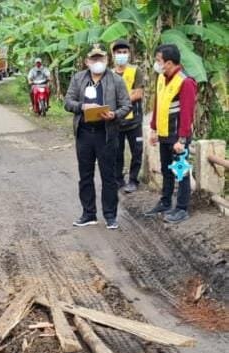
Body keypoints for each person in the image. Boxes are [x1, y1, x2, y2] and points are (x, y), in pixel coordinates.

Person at [64, 43, 132, 230]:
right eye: (93, 59)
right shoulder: (78, 79)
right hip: (84, 133)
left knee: (108, 176)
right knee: (85, 175)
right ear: (87, 61)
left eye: (100, 58)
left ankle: (110, 215)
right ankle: (88, 213)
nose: (97, 62)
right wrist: (82, 107)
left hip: (106, 134)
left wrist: (115, 115)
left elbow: (126, 105)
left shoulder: (116, 80)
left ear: (106, 59)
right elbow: (68, 102)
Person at [144, 44, 197, 224]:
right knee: (167, 170)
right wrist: (153, 129)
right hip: (165, 134)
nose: (156, 64)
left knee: (180, 173)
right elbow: (158, 104)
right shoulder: (161, 78)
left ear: (168, 62)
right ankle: (165, 201)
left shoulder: (185, 82)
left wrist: (182, 139)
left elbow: (187, 113)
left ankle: (182, 208)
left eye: (158, 60)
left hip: (178, 138)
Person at [112, 39, 144, 193]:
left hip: (134, 120)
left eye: (124, 52)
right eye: (119, 52)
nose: (122, 55)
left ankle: (133, 180)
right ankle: (118, 179)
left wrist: (119, 98)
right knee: (117, 152)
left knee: (136, 151)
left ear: (129, 54)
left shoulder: (135, 71)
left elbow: (138, 93)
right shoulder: (109, 74)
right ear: (113, 54)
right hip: (116, 121)